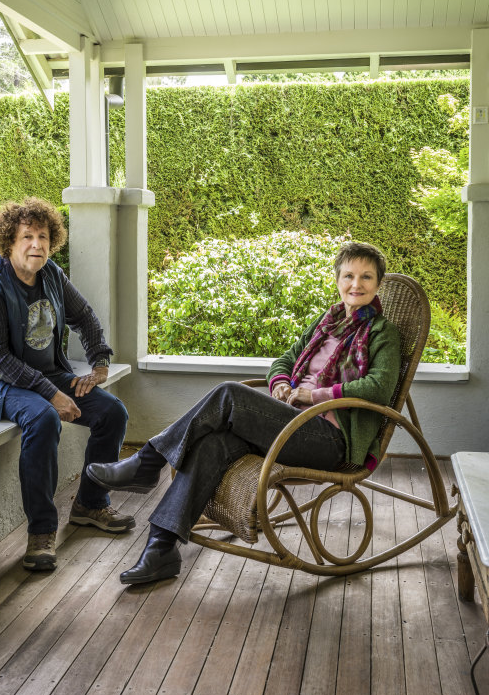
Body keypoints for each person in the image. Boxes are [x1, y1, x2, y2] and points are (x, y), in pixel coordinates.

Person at [86, 241, 401, 586]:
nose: (356, 284)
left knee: (228, 394)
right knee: (213, 443)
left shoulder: (383, 333)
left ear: (378, 284)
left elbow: (379, 388)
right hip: (291, 422)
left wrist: (315, 393)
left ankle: (148, 462)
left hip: (329, 439)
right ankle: (162, 549)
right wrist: (281, 381)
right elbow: (283, 360)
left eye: (366, 277)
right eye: (349, 275)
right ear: (337, 280)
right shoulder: (327, 323)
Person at [0, 197, 133, 572]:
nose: (37, 244)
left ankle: (90, 504)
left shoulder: (51, 273)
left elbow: (84, 316)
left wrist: (99, 361)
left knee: (112, 412)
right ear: (9, 243)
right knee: (43, 419)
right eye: (27, 237)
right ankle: (41, 531)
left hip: (44, 374)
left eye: (43, 236)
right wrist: (52, 394)